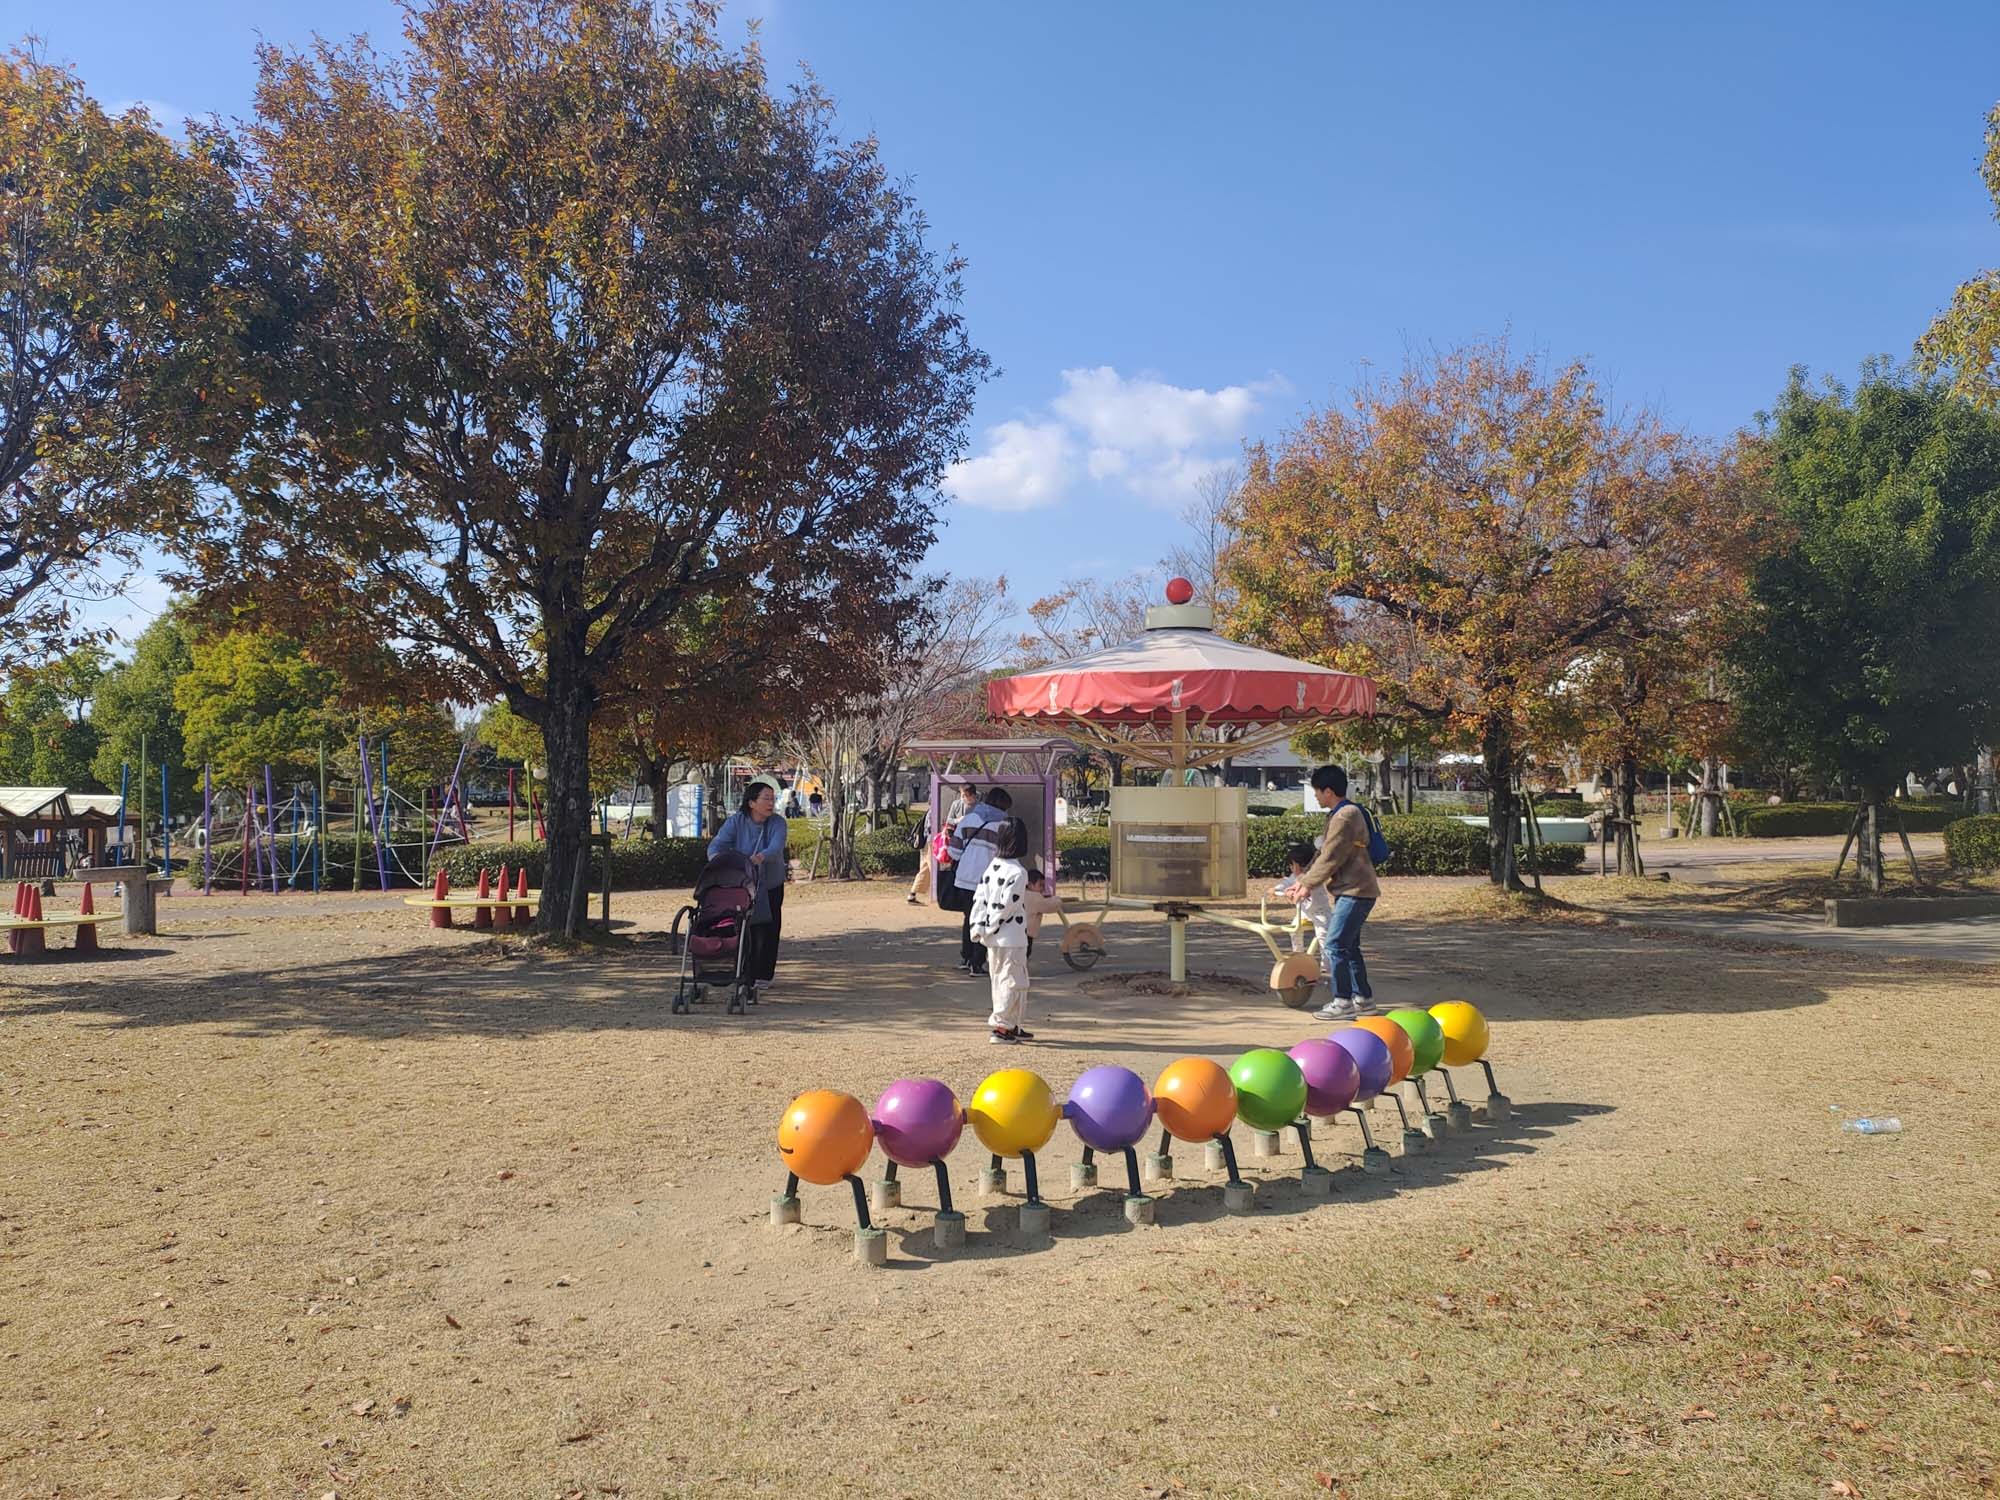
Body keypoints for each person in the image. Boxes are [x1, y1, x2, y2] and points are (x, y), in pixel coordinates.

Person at [1289, 764, 1380, 1022]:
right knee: (1349, 946)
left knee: (1335, 944)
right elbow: (1323, 854)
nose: (1316, 796)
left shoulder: (1345, 816)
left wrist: (1307, 884)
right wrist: (1302, 880)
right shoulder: (1340, 813)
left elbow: (1331, 857)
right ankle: (1363, 999)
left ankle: (1342, 1001)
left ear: (1328, 791)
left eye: (1317, 791)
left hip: (1356, 891)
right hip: (1354, 890)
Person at [707, 776, 788, 995]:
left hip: (770, 884)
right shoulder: (736, 821)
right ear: (752, 802)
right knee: (744, 927)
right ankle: (744, 973)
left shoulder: (777, 823)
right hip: (743, 885)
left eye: (773, 798)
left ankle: (764, 974)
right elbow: (717, 846)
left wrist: (760, 857)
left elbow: (776, 848)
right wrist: (719, 862)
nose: (771, 803)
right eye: (766, 798)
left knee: (768, 929)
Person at [968, 817, 1034, 1043]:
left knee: (1001, 979)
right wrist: (991, 925)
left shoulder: (992, 867)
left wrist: (980, 927)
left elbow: (980, 899)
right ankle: (1002, 1027)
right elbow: (1007, 906)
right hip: (1011, 936)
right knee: (1013, 981)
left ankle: (1013, 1024)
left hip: (994, 938)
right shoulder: (1018, 872)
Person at [946, 786, 1012, 975]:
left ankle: (966, 958)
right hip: (988, 880)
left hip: (964, 877)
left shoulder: (970, 818)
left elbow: (954, 851)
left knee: (969, 917)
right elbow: (1004, 856)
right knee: (985, 920)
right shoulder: (1004, 825)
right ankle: (977, 963)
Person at [1271, 840, 1332, 960]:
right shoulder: (1294, 877)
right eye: (1291, 865)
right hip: (1304, 914)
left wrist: (1291, 892)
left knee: (1323, 936)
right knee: (1294, 930)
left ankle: (1326, 964)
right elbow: (1286, 883)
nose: (1292, 868)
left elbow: (1305, 891)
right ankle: (1298, 954)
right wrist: (1276, 889)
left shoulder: (1313, 878)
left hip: (1320, 913)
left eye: (1293, 865)